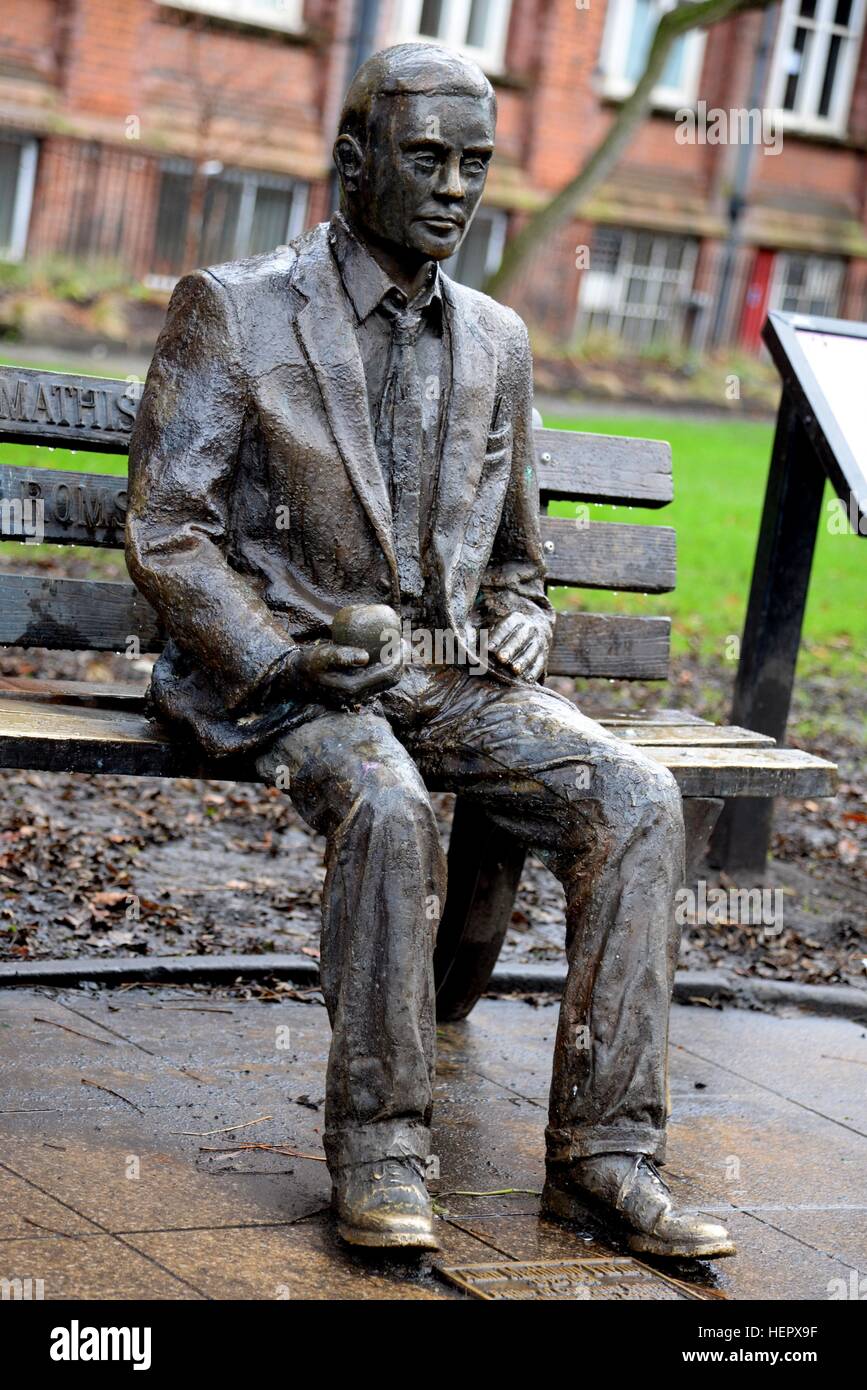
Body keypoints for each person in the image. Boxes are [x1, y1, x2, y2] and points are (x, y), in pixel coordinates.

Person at [126, 42, 734, 1260]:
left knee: (637, 795)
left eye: (477, 164)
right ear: (353, 167)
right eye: (427, 161)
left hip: (446, 673)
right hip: (288, 680)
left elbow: (516, 558)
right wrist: (284, 657)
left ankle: (608, 1155)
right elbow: (167, 531)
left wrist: (525, 613)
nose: (457, 188)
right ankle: (382, 1146)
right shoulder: (237, 309)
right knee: (391, 805)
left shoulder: (497, 339)